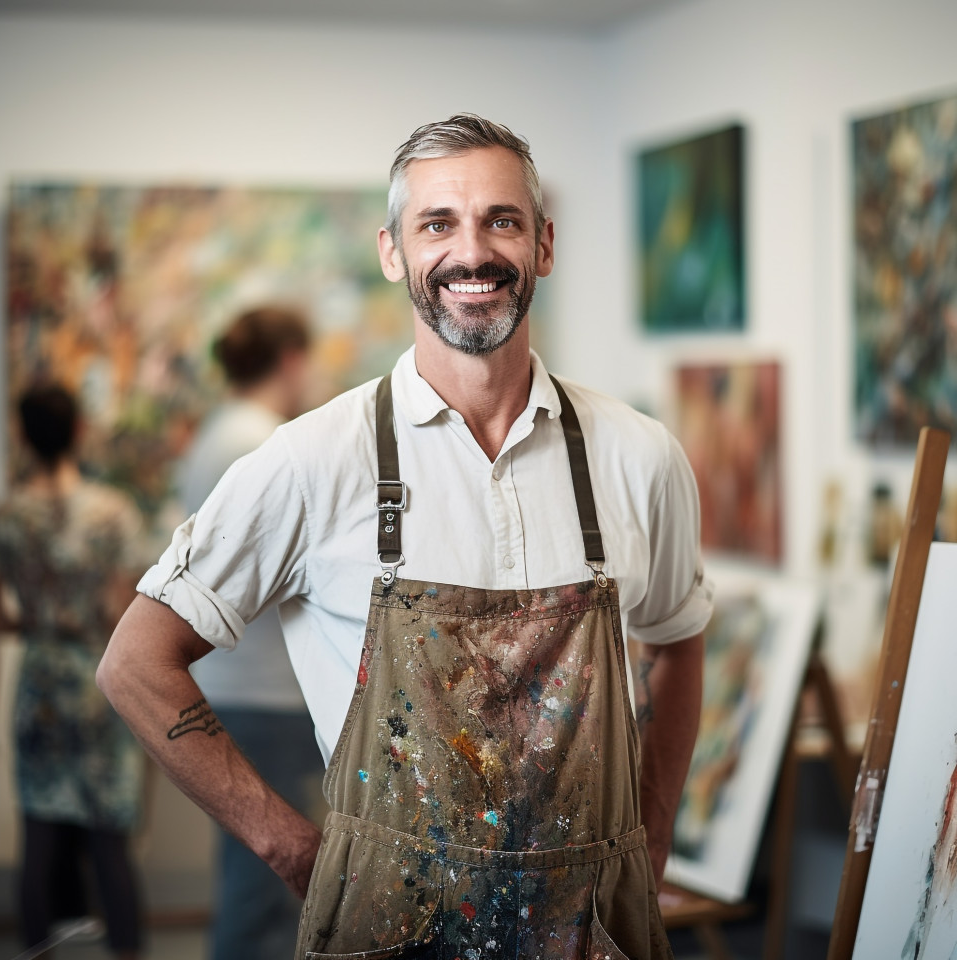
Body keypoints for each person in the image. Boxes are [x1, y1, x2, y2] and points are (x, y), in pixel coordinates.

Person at [99, 114, 713, 959]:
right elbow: (135, 664)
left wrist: (651, 831)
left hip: (596, 930)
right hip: (383, 934)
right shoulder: (312, 460)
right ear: (394, 253)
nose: (473, 253)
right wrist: (289, 843)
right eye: (438, 224)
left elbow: (678, 643)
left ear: (543, 246)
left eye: (502, 220)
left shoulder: (641, 456)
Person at [176, 305, 327, 960]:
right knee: (264, 876)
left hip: (237, 681)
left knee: (251, 870)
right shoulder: (261, 440)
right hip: (267, 689)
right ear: (291, 360)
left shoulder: (217, 434)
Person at [0, 383, 145, 959]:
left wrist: (39, 616)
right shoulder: (113, 513)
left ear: (23, 436)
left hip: (40, 680)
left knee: (39, 834)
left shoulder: (9, 516)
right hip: (98, 673)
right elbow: (118, 610)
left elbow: (3, 618)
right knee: (110, 837)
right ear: (79, 429)